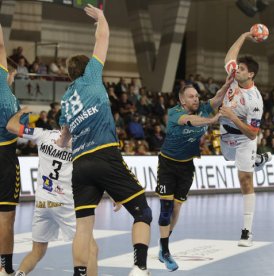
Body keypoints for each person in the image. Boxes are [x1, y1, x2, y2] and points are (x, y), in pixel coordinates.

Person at [58, 5, 151, 276]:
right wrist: (101, 18)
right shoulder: (91, 77)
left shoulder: (65, 99)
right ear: (86, 68)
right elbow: (103, 39)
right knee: (143, 213)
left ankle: (79, 274)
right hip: (105, 155)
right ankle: (139, 267)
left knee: (83, 227)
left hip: (81, 164)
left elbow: (64, 140)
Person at [155, 73, 234, 271]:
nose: (196, 98)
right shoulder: (174, 113)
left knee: (176, 209)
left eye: (197, 96)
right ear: (182, 100)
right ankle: (165, 251)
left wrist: (227, 83)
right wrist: (212, 120)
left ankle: (163, 243)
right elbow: (190, 121)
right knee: (166, 208)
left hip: (187, 166)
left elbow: (217, 98)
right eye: (191, 96)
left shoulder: (204, 108)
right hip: (167, 164)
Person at [6, 109, 99, 276]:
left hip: (42, 203)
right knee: (91, 247)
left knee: (37, 251)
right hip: (65, 204)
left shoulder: (42, 134)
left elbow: (11, 126)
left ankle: (20, 273)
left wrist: (21, 112)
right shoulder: (80, 143)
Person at [219, 31, 271, 247]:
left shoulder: (255, 101)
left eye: (240, 69)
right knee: (227, 159)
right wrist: (244, 35)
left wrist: (231, 116)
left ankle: (247, 232)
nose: (236, 70)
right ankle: (258, 161)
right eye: (237, 68)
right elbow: (229, 56)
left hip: (244, 139)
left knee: (244, 180)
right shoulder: (233, 77)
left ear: (250, 75)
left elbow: (252, 133)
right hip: (226, 135)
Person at [0, 23, 26, 276]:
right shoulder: (9, 96)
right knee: (6, 216)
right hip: (6, 158)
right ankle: (4, 268)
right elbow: (17, 131)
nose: (12, 77)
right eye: (13, 74)